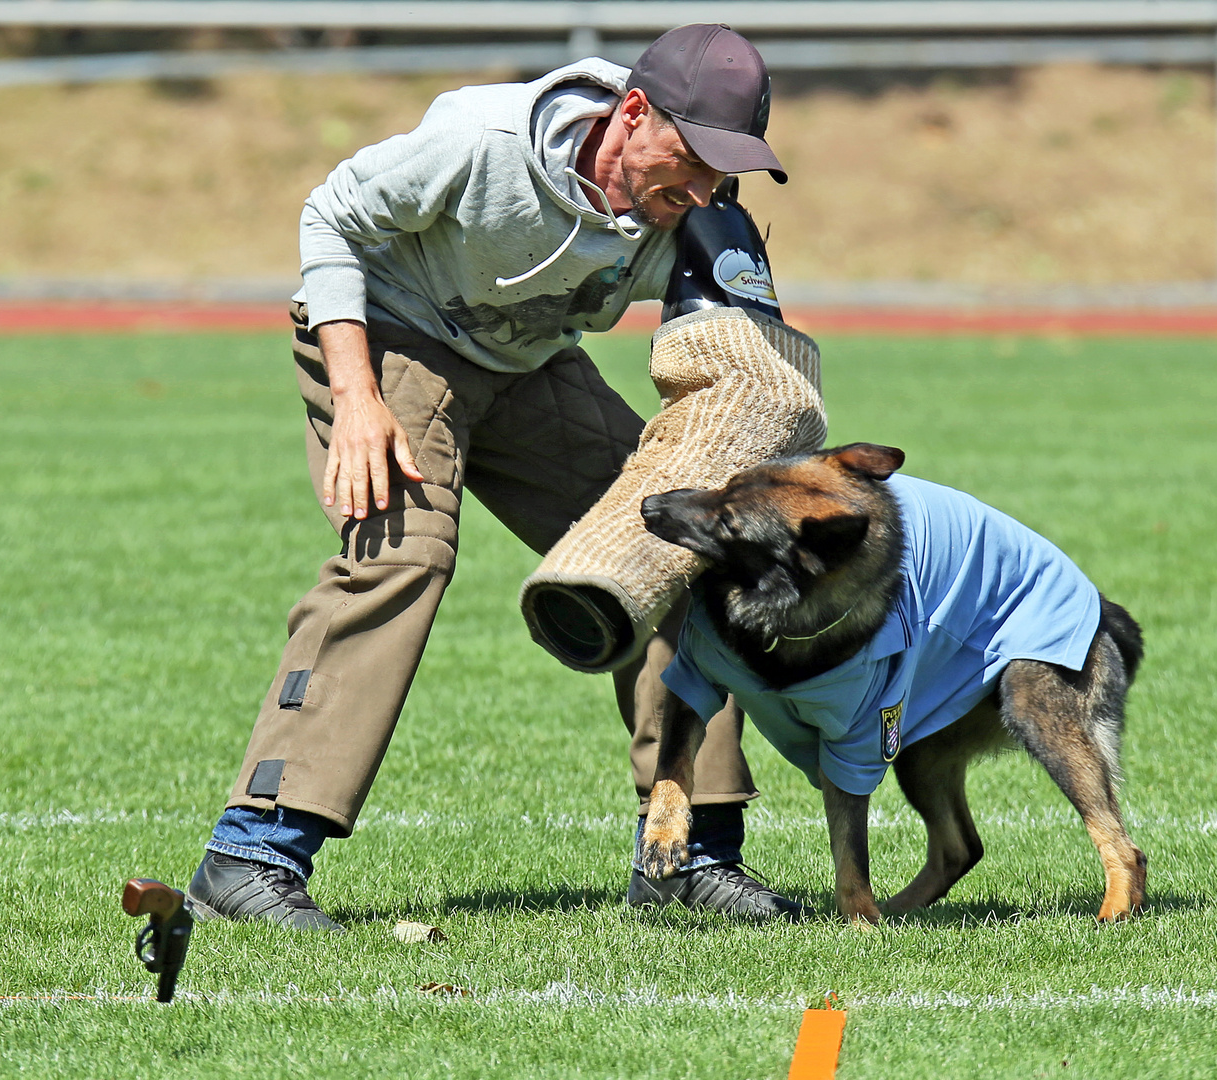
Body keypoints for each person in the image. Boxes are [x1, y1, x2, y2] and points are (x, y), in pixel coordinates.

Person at [188, 24, 805, 930]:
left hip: (524, 361)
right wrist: (356, 397)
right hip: (390, 334)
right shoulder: (484, 143)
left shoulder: (704, 217)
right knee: (405, 558)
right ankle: (250, 852)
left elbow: (754, 374)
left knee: (677, 549)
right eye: (694, 158)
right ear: (633, 114)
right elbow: (332, 217)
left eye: (727, 168)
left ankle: (687, 854)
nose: (706, 188)